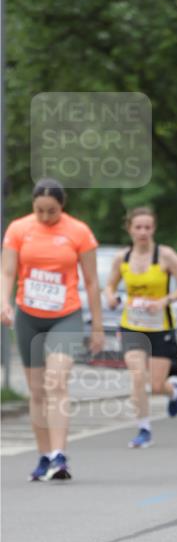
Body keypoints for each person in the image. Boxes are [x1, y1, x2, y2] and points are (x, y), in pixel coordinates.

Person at [1, 179, 104, 481]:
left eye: (52, 211)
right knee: (36, 390)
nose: (46, 217)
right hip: (28, 316)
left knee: (56, 382)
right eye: (40, 211)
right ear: (32, 206)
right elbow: (7, 271)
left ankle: (60, 456)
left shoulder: (79, 232)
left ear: (63, 206)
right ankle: (44, 455)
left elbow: (92, 281)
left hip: (65, 316)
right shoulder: (19, 229)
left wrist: (97, 326)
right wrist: (4, 303)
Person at [105, 207, 177, 449]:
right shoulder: (122, 258)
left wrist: (165, 300)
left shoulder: (165, 256)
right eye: (138, 227)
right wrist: (111, 296)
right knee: (136, 376)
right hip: (132, 325)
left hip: (160, 326)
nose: (143, 232)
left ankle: (172, 390)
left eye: (147, 227)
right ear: (130, 229)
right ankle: (144, 428)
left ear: (153, 229)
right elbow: (109, 286)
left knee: (156, 385)